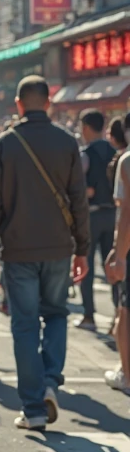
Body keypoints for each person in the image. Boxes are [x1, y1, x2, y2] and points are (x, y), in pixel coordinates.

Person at [0, 75, 89, 431]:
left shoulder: (4, 144)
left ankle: (34, 408)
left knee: (25, 325)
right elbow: (78, 200)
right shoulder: (67, 141)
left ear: (18, 105)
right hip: (59, 247)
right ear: (49, 102)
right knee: (56, 314)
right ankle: (50, 381)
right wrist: (82, 249)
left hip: (17, 249)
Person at [76, 108, 117, 331]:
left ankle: (89, 315)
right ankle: (118, 316)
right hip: (112, 214)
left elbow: (78, 187)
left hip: (91, 216)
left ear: (85, 128)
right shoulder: (115, 151)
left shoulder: (85, 154)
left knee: (86, 266)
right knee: (113, 264)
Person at [104, 149, 130, 394]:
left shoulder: (128, 161)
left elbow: (127, 214)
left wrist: (119, 253)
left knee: (125, 310)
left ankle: (127, 373)